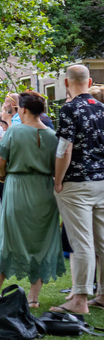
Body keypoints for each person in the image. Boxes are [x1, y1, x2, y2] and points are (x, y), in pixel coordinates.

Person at [0, 91, 64, 308]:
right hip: (44, 190)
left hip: (17, 188)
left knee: (8, 240)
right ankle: (33, 298)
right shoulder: (52, 135)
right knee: (41, 242)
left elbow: (0, 164)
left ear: (23, 109)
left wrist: (2, 177)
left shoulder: (14, 131)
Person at [51, 64, 104, 314]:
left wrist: (58, 180)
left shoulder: (69, 109)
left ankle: (80, 298)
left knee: (82, 241)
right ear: (90, 80)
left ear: (65, 83)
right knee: (102, 241)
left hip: (77, 183)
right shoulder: (102, 108)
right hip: (102, 182)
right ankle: (102, 295)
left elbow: (64, 148)